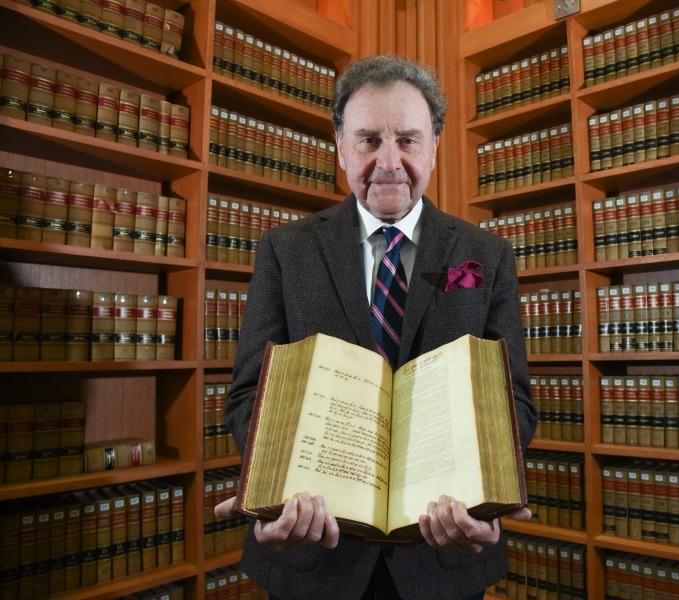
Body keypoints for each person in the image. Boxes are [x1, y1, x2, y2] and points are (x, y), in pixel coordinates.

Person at [217, 54, 538, 600]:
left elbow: (516, 402)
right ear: (340, 145)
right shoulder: (284, 251)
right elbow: (249, 394)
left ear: (435, 145)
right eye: (368, 140)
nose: (389, 162)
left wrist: (485, 495)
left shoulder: (488, 255)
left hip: (444, 559)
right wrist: (278, 486)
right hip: (312, 557)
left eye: (408, 141)